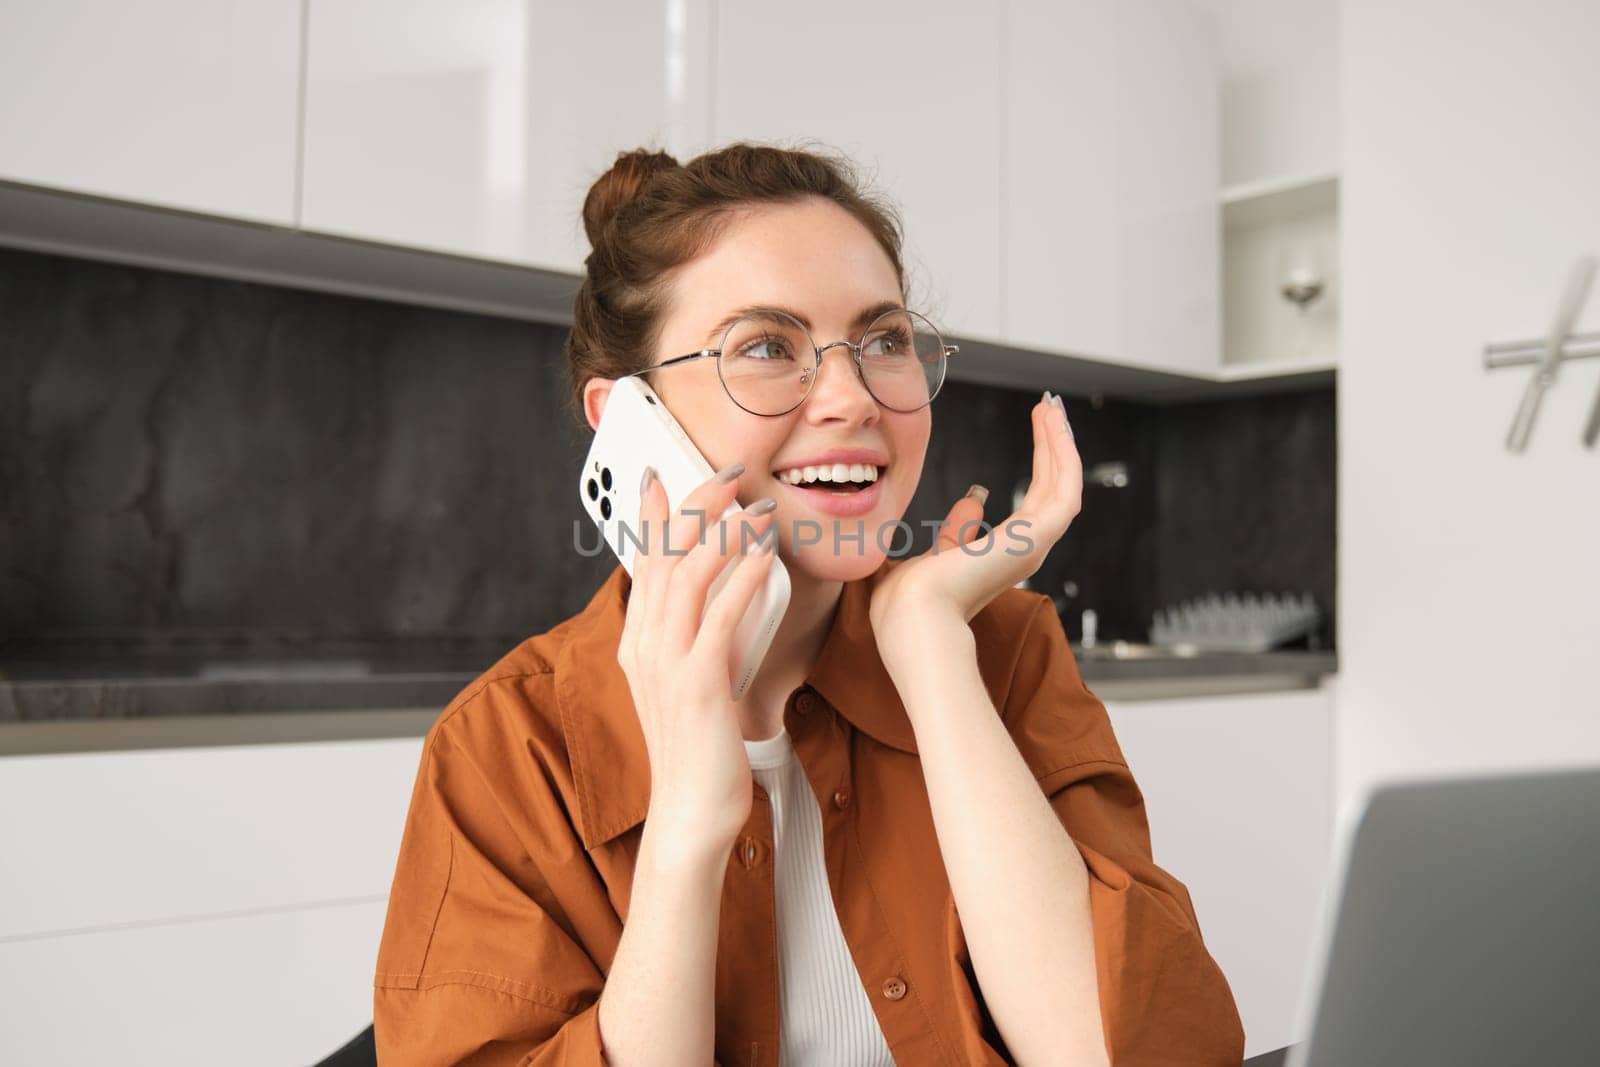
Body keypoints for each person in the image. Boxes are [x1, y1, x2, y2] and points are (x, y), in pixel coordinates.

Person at [372, 142, 1245, 1066]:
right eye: (765, 346)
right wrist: (685, 834)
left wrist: (929, 652)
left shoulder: (1003, 654)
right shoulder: (508, 746)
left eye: (884, 341)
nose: (852, 396)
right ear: (627, 418)